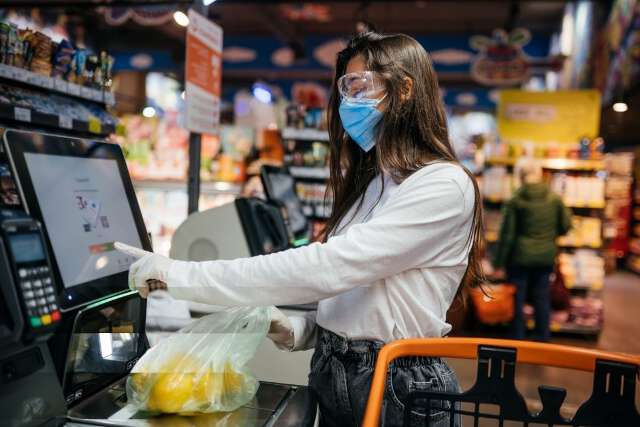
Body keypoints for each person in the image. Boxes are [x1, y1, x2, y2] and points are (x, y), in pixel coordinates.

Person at [115, 32, 483, 427]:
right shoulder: (375, 183)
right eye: (345, 90)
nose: (348, 103)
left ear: (405, 89)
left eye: (360, 87)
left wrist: (181, 274)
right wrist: (298, 328)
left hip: (398, 385)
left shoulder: (443, 184)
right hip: (337, 371)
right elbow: (365, 295)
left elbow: (332, 267)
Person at [493, 158, 572, 341]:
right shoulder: (554, 198)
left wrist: (498, 262)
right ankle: (542, 337)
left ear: (520, 175)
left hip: (519, 258)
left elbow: (508, 236)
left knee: (517, 298)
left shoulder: (515, 200)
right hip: (545, 257)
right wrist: (550, 236)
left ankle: (517, 338)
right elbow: (566, 226)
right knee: (542, 297)